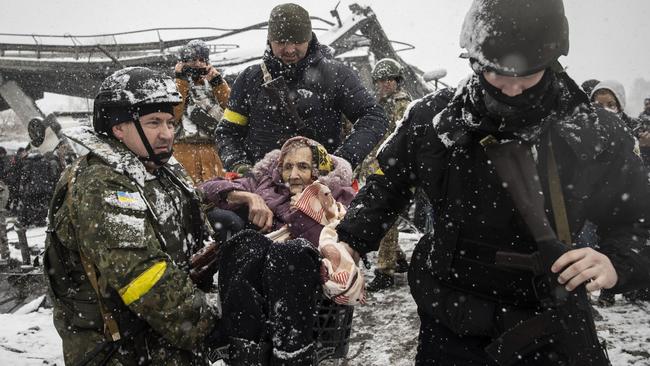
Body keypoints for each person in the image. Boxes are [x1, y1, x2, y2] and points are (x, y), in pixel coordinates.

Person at [336, 0, 650, 364]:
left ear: (553, 60)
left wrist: (616, 262)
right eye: (496, 72)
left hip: (550, 317)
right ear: (474, 60)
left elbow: (639, 223)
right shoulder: (433, 121)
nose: (512, 87)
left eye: (527, 73)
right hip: (451, 318)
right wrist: (349, 243)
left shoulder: (596, 133)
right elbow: (384, 188)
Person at [43, 67, 221, 365]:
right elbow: (144, 276)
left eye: (170, 122)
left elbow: (183, 217)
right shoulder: (101, 183)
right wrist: (212, 325)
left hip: (165, 345)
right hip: (121, 351)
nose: (167, 133)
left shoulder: (157, 165)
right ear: (118, 128)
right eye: (153, 122)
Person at [200, 136, 362, 364]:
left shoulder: (337, 195)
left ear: (318, 170)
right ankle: (245, 350)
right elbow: (207, 188)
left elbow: (334, 246)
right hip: (263, 290)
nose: (293, 175)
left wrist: (303, 213)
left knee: (290, 253)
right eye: (288, 167)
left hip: (311, 297)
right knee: (244, 242)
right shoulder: (266, 182)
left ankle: (291, 355)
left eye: (303, 167)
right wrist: (249, 197)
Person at [215, 3, 387, 175]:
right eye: (281, 42)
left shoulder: (336, 75)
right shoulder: (249, 79)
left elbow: (373, 116)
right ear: (270, 40)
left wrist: (344, 158)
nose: (289, 49)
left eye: (297, 41)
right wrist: (240, 166)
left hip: (320, 189)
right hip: (262, 188)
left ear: (309, 39)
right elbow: (228, 132)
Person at [358, 58, 412, 291]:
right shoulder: (378, 103)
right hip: (376, 168)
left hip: (390, 170)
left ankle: (385, 271)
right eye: (380, 80)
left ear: (397, 81)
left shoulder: (401, 104)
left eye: (389, 80)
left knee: (384, 220)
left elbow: (398, 139)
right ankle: (397, 259)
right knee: (381, 218)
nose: (384, 84)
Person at [173, 39, 230, 184]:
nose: (198, 64)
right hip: (182, 151)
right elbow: (172, 116)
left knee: (216, 195)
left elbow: (232, 110)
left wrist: (218, 83)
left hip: (212, 152)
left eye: (202, 59)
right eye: (192, 60)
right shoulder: (172, 85)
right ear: (182, 62)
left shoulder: (215, 83)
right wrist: (181, 81)